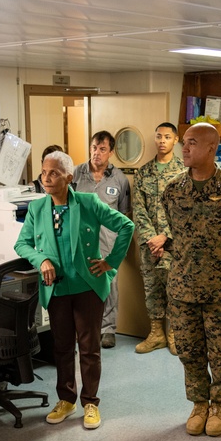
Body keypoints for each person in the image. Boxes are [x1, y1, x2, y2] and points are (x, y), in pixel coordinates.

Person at [15, 151, 134, 429]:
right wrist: (41, 260)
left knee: (89, 348)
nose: (46, 177)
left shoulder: (88, 202)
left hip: (87, 286)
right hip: (56, 289)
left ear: (69, 178)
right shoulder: (37, 209)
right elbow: (22, 244)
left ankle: (90, 402)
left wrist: (110, 262)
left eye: (54, 173)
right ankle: (66, 400)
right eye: (44, 172)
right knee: (62, 347)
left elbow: (125, 225)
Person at [162, 123, 221, 437]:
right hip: (184, 288)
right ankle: (198, 404)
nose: (184, 149)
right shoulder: (174, 190)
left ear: (211, 148)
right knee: (189, 352)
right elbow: (174, 236)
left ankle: (219, 405)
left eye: (191, 143)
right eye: (184, 144)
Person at [73, 130, 132, 348]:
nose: (97, 153)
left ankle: (108, 329)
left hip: (108, 240)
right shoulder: (77, 173)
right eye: (94, 148)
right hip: (81, 239)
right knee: (82, 285)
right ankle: (87, 328)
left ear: (111, 152)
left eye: (102, 149)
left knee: (109, 285)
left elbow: (124, 214)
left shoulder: (119, 179)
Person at [132, 122, 185, 355]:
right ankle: (156, 334)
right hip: (149, 244)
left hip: (175, 244)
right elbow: (138, 208)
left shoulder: (184, 171)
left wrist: (165, 236)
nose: (162, 140)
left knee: (175, 288)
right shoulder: (143, 172)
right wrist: (151, 238)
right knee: (152, 288)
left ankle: (174, 334)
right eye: (158, 136)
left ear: (176, 140)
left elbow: (186, 212)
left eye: (167, 137)